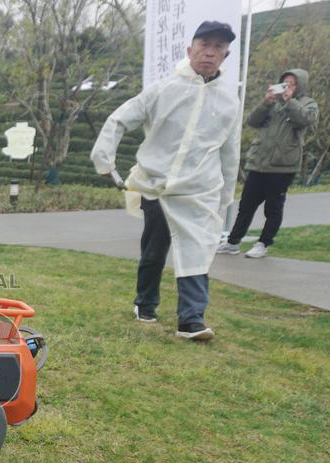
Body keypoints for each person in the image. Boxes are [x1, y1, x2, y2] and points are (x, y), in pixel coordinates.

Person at [91, 21, 241, 341]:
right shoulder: (163, 89)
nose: (210, 52)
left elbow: (231, 152)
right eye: (204, 45)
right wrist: (104, 159)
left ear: (226, 55)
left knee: (197, 250)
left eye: (218, 47)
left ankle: (191, 320)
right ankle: (145, 303)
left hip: (200, 190)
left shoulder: (229, 102)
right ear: (190, 50)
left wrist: (225, 195)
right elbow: (120, 119)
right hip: (157, 186)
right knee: (155, 248)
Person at [216, 69, 318, 258]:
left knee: (273, 207)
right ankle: (233, 242)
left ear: (300, 85)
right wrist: (266, 102)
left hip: (283, 165)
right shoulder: (273, 103)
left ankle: (263, 243)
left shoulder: (307, 103)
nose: (287, 86)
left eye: (292, 83)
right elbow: (252, 121)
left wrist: (289, 101)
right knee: (246, 205)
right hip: (259, 162)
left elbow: (306, 120)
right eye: (284, 82)